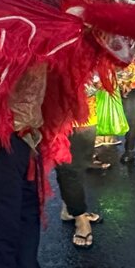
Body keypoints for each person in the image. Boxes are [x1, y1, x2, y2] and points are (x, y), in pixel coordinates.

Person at [55, 80, 103, 249]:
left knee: (80, 165)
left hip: (88, 116)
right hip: (62, 119)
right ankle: (80, 218)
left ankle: (70, 209)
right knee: (69, 169)